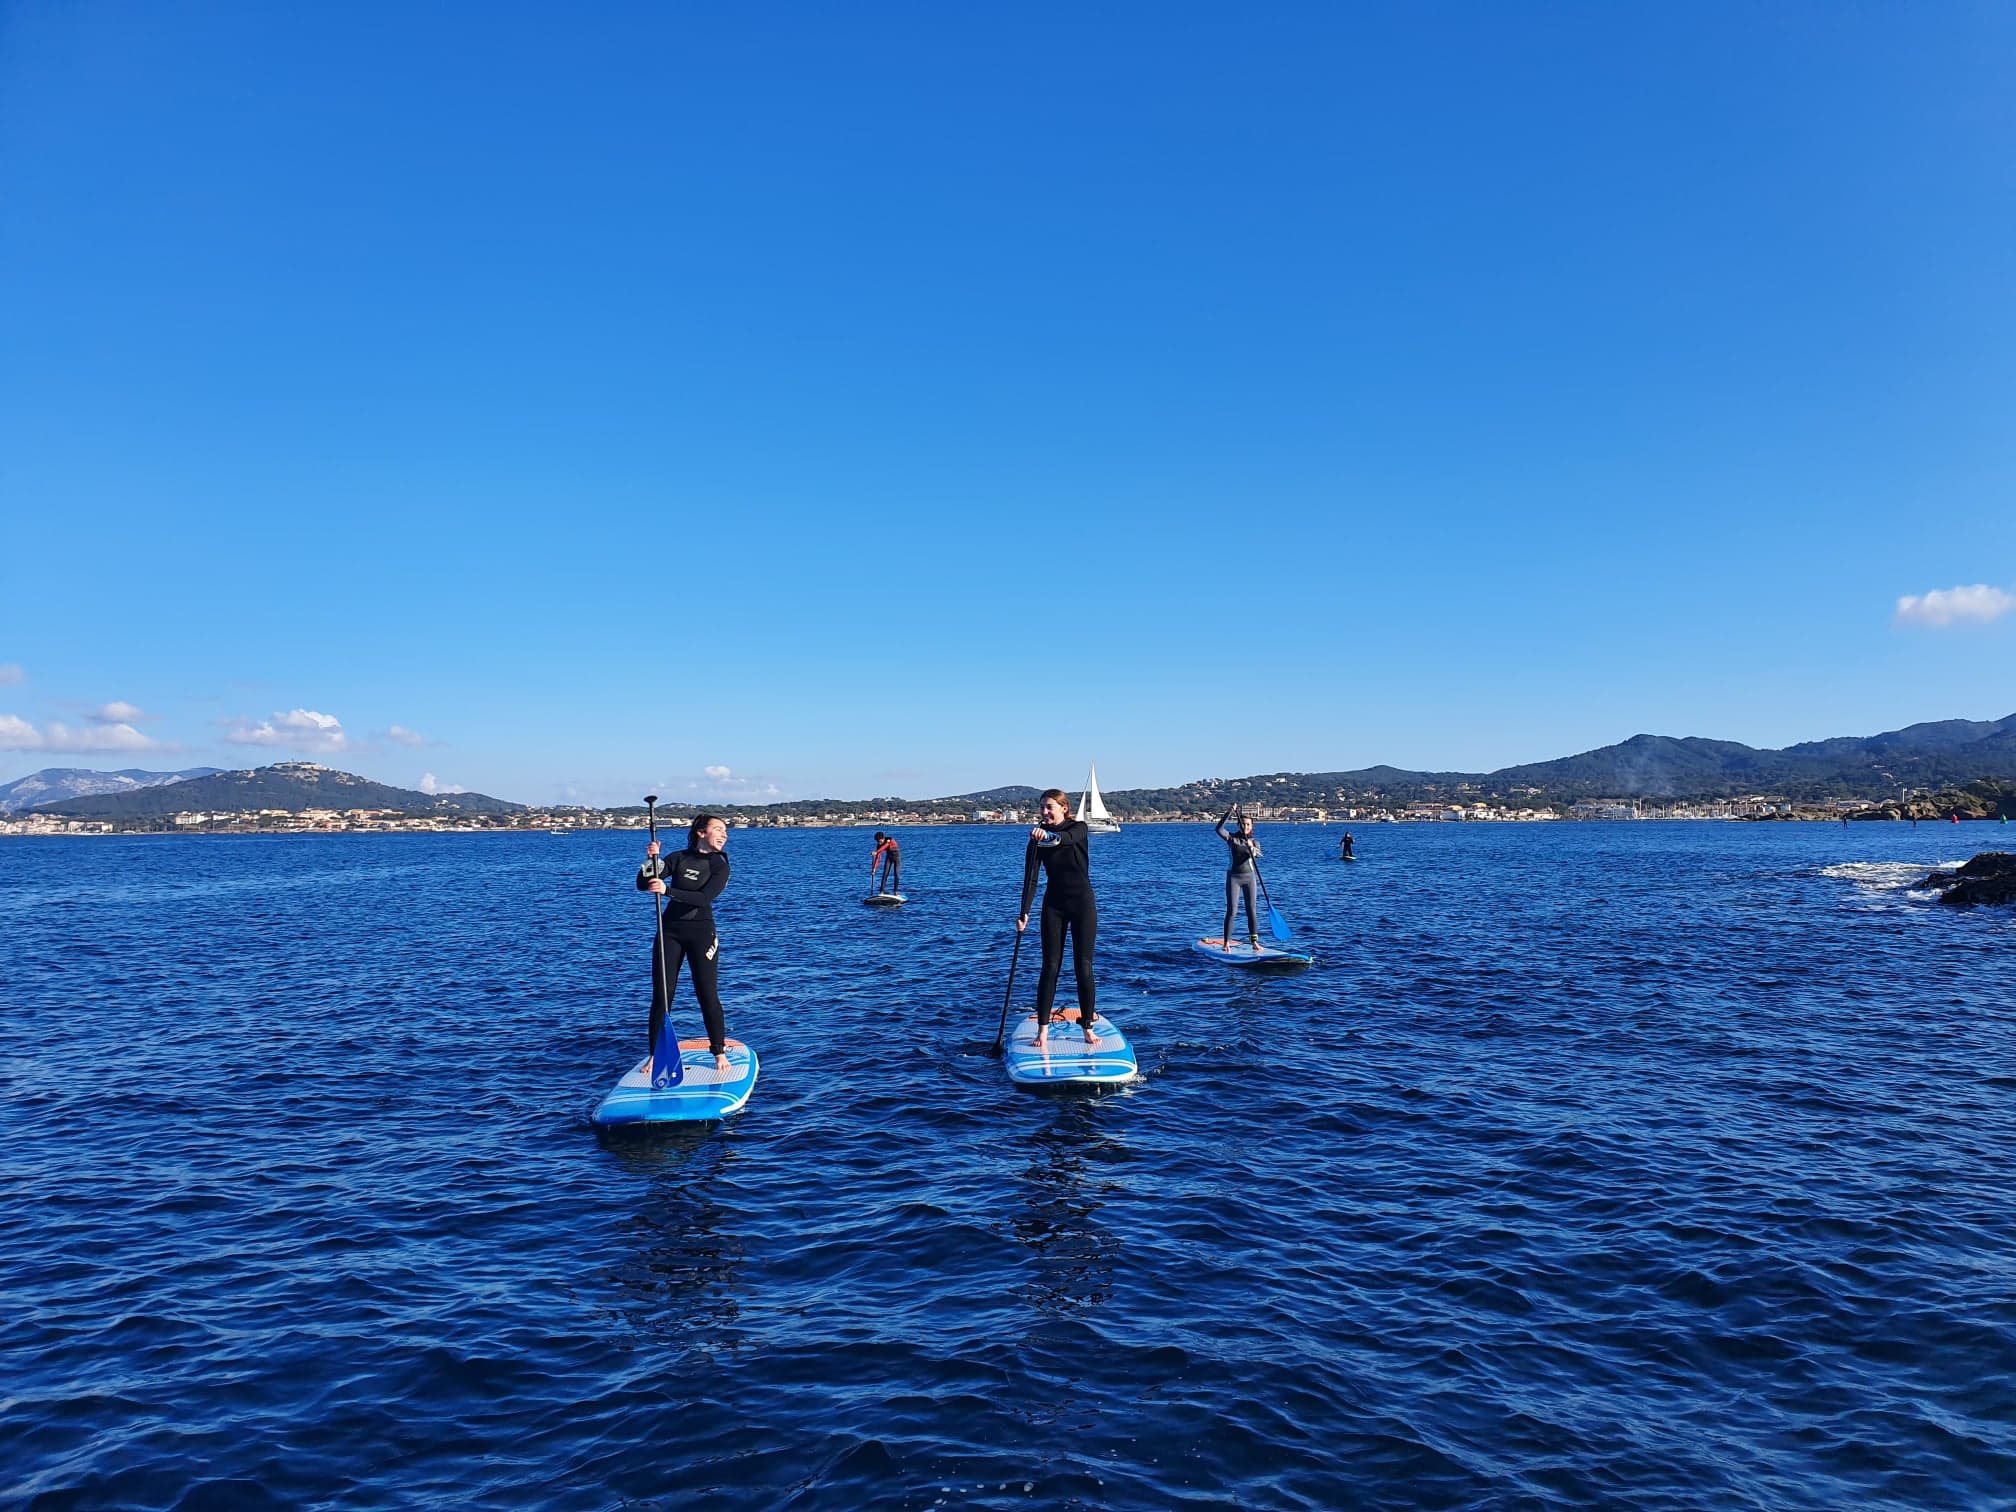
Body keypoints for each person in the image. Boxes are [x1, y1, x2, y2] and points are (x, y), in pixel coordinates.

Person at [637, 813, 733, 1077]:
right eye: (718, 829)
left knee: (707, 994)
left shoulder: (720, 866)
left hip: (702, 933)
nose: (724, 834)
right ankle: (656, 1055)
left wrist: (667, 891)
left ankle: (719, 1051)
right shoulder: (678, 858)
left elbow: (703, 898)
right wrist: (652, 861)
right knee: (662, 996)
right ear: (701, 832)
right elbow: (642, 883)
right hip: (669, 932)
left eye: (725, 831)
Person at [1017, 789, 1099, 1050]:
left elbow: (1067, 838)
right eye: (1041, 807)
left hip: (1082, 903)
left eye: (1049, 807)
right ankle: (1042, 1030)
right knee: (1050, 966)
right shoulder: (1036, 839)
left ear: (1064, 808)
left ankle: (1086, 1026)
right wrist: (1024, 912)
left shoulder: (1079, 827)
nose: (1044, 812)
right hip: (1053, 905)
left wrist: (1048, 835)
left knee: (1082, 966)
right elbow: (1031, 878)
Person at [1216, 807, 1263, 950]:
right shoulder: (1231, 839)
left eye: (1248, 824)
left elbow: (1258, 855)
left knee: (1251, 910)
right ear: (1238, 825)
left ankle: (1254, 942)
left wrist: (1252, 848)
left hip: (1249, 878)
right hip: (1234, 878)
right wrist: (1229, 812)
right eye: (1243, 824)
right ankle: (1226, 943)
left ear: (1252, 826)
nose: (1245, 827)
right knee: (1232, 910)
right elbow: (1218, 829)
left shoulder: (1254, 842)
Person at [870, 830, 902, 895]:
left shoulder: (889, 839)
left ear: (883, 838)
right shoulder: (879, 845)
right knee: (885, 874)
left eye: (879, 841)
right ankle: (881, 891)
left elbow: (885, 846)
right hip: (889, 857)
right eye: (877, 841)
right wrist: (874, 869)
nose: (878, 843)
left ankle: (895, 891)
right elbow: (878, 858)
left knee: (897, 874)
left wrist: (877, 851)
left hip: (897, 857)